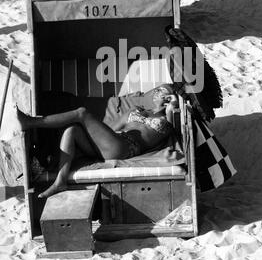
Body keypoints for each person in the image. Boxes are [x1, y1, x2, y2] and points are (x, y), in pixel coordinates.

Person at [17, 85, 178, 199]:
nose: (160, 94)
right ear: (153, 95)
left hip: (125, 148)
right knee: (72, 130)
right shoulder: (135, 110)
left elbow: (171, 126)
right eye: (158, 91)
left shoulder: (165, 119)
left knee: (82, 113)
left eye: (165, 93)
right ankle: (60, 181)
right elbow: (111, 128)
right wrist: (96, 135)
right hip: (112, 143)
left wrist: (173, 103)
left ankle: (31, 122)